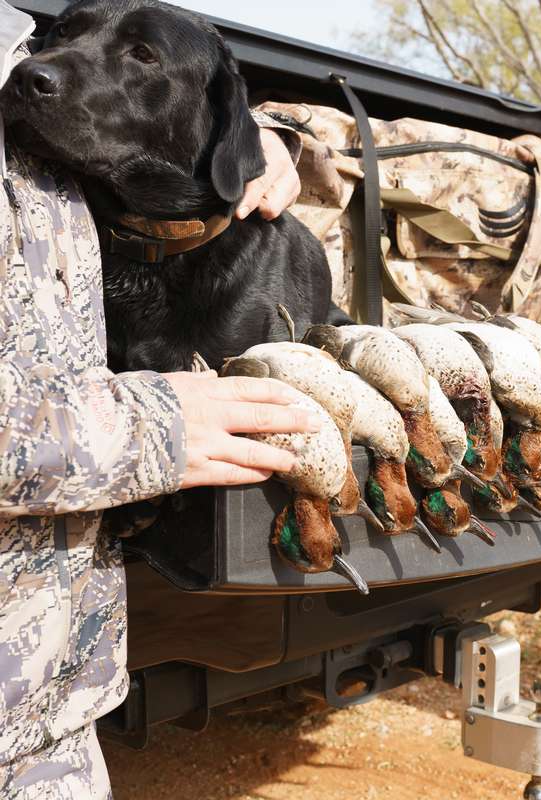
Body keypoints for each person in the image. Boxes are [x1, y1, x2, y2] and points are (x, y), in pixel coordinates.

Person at [0, 4, 311, 796]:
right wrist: (152, 429)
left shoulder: (262, 264)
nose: (48, 64)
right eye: (59, 38)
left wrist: (256, 139)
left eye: (137, 54)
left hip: (56, 710)